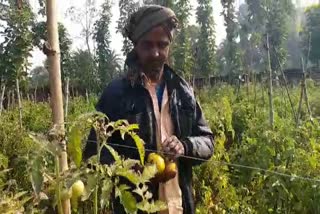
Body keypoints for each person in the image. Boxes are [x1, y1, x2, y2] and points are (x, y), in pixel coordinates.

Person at [84, 5, 214, 214]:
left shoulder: (182, 91)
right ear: (136, 46)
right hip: (136, 207)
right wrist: (130, 170)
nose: (155, 53)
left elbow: (208, 141)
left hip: (179, 206)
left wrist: (185, 146)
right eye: (147, 45)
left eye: (162, 45)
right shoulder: (116, 94)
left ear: (169, 46)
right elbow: (93, 155)